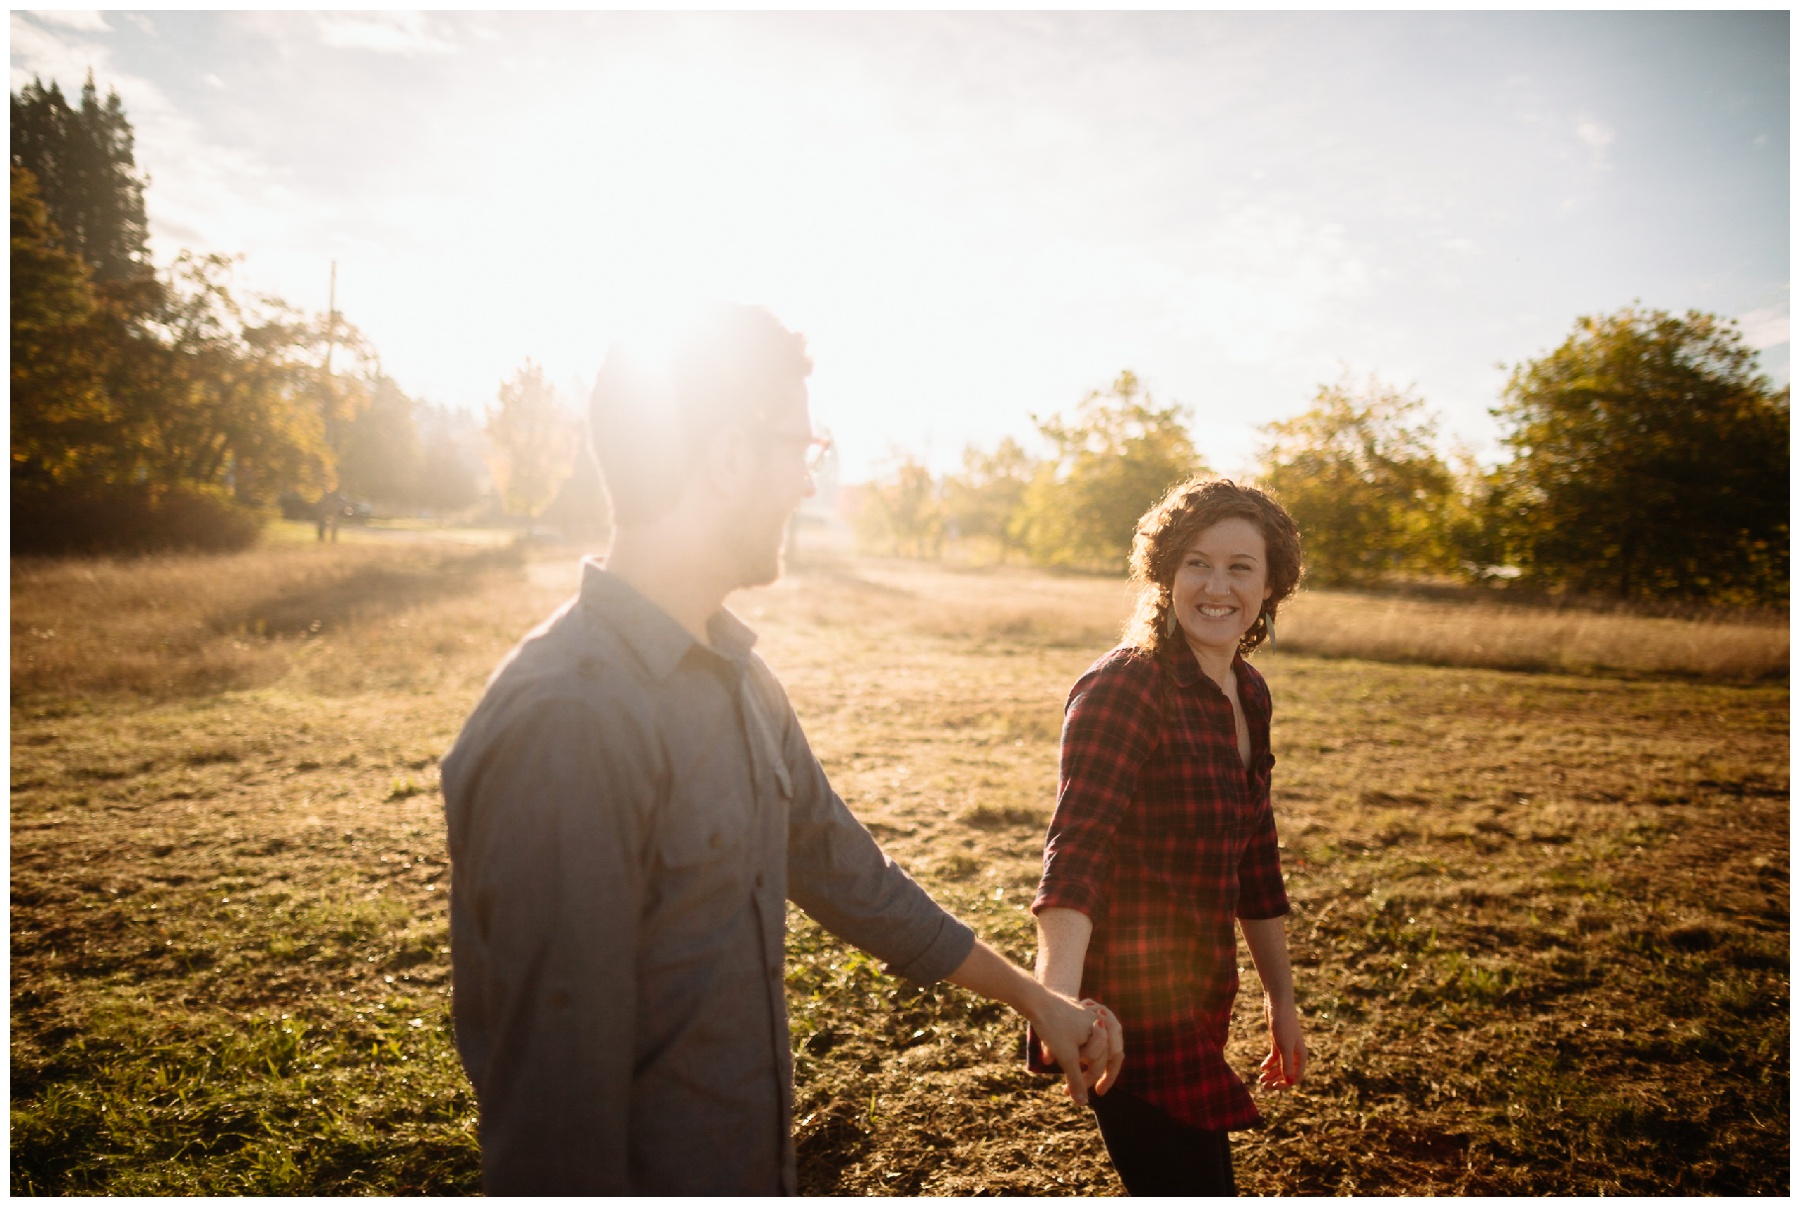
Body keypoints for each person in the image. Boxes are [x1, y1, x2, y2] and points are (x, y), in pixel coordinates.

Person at [440, 303, 1123, 1195]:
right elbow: (553, 1125)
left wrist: (1034, 996)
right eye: (804, 449)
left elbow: (851, 875)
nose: (809, 484)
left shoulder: (740, 676)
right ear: (729, 456)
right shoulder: (570, 722)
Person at [1030, 476, 1306, 1195]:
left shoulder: (1249, 691)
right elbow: (1075, 849)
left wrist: (1282, 998)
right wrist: (1056, 997)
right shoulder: (1127, 685)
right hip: (1126, 1009)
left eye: (1241, 567)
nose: (1218, 585)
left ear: (1270, 584)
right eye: (1197, 562)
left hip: (1202, 992)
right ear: (1165, 574)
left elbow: (1258, 855)